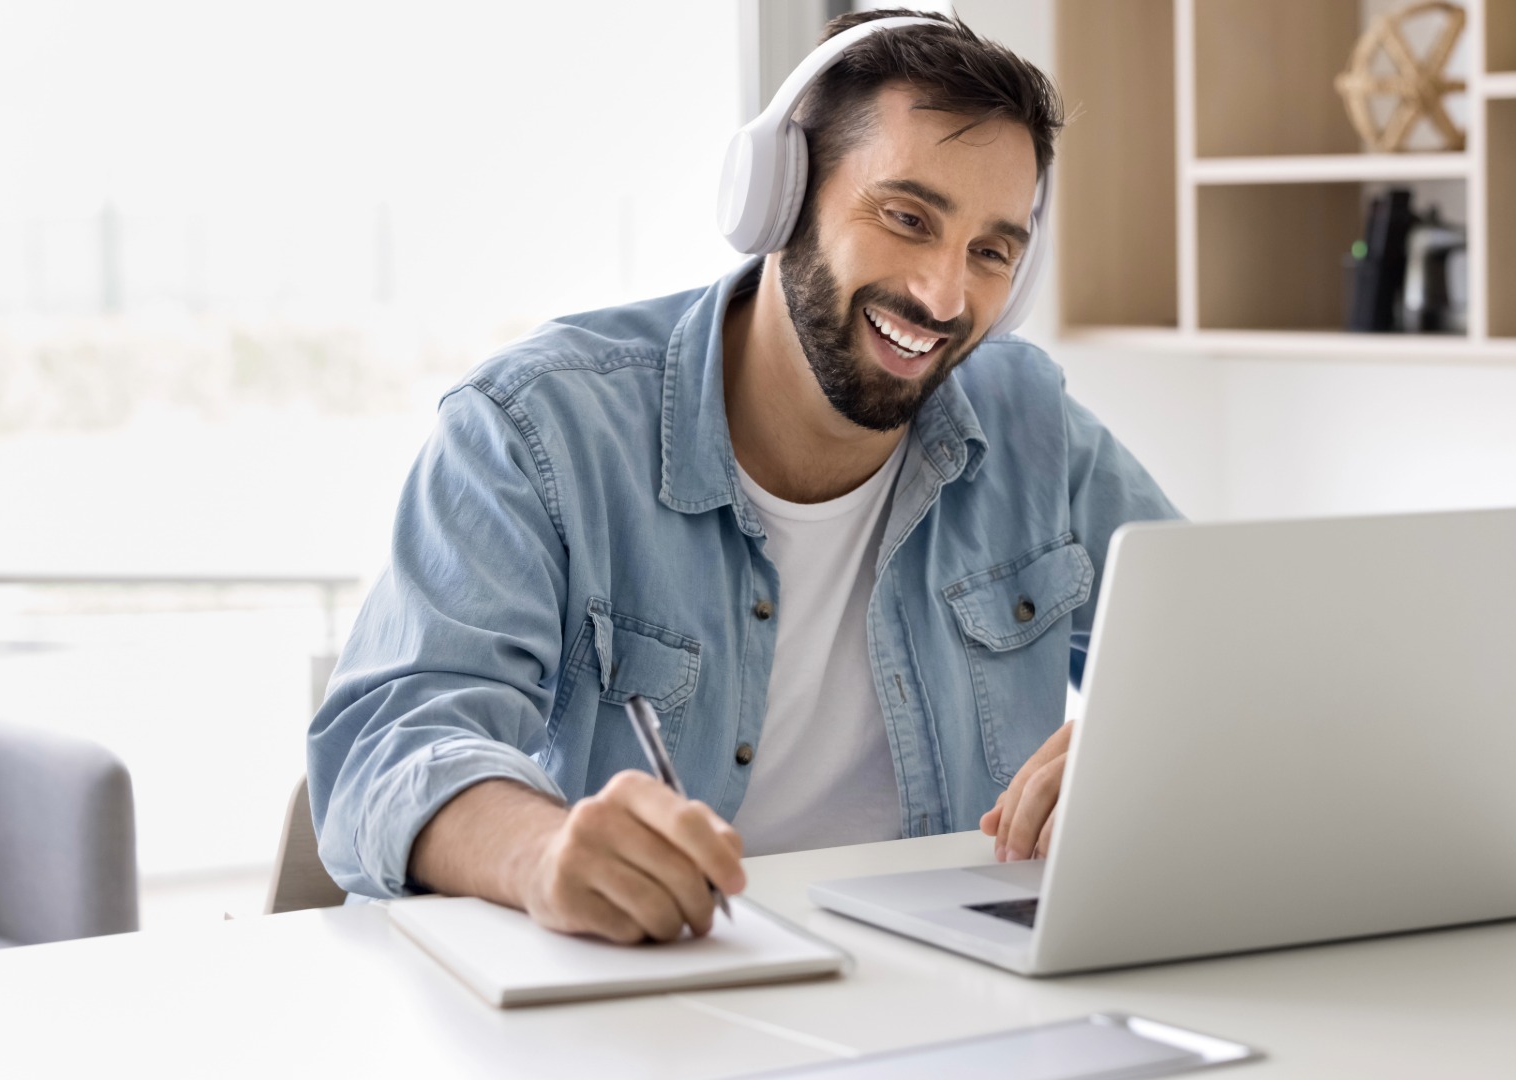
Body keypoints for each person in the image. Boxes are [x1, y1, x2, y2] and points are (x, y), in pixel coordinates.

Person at [307, 9, 1177, 946]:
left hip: (936, 990)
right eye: (906, 218)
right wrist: (540, 852)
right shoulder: (538, 426)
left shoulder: (1029, 426)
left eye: (992, 251)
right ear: (778, 197)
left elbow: (1238, 654)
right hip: (626, 994)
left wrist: (1150, 749)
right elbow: (387, 745)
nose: (944, 296)